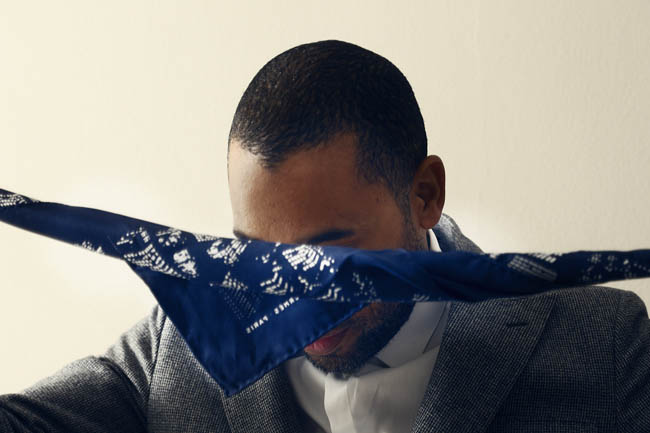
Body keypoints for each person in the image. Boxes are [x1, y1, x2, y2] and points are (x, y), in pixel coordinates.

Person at [1, 39, 649, 432]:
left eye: (329, 255)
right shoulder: (178, 345)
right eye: (257, 255)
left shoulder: (604, 344)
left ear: (425, 194)